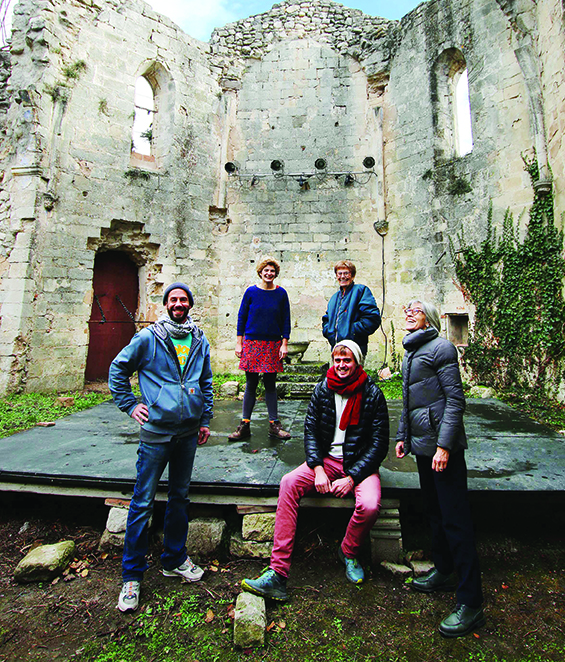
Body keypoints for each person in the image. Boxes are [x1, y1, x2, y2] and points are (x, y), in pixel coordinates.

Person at [241, 340, 389, 601]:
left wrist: (353, 477)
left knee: (369, 504)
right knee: (288, 483)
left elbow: (379, 444)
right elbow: (310, 431)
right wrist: (318, 468)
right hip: (327, 461)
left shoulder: (373, 394)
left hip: (358, 466)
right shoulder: (323, 389)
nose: (341, 366)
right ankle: (277, 572)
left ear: (357, 363)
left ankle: (349, 551)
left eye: (347, 361)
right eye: (338, 360)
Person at [109, 282, 213, 613]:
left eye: (183, 300)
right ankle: (132, 577)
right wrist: (129, 404)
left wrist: (205, 419)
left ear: (190, 304)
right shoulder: (149, 338)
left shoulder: (199, 339)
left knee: (180, 498)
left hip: (187, 431)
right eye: (173, 299)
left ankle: (174, 559)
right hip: (155, 431)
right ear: (165, 304)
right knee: (142, 501)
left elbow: (206, 381)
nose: (178, 304)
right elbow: (118, 369)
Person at [391, 299, 484, 638]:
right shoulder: (412, 350)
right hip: (423, 447)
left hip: (442, 449)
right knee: (435, 512)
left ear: (428, 318)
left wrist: (444, 446)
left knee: (455, 520)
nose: (407, 312)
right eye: (406, 309)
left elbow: (455, 400)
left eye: (414, 309)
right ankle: (443, 569)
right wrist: (403, 435)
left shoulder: (441, 348)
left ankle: (471, 603)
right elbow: (408, 399)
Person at [228, 257, 291, 441]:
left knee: (271, 385)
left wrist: (284, 344)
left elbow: (286, 320)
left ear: (276, 274)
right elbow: (241, 317)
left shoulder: (281, 294)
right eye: (266, 270)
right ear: (260, 272)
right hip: (252, 343)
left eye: (272, 271)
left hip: (273, 344)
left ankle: (274, 425)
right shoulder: (251, 292)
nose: (269, 273)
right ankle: (244, 425)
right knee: (251, 384)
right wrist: (239, 342)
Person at [322, 261, 381, 359]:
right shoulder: (334, 298)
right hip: (336, 350)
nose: (342, 276)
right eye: (339, 273)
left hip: (355, 349)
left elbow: (372, 318)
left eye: (346, 273)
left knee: (355, 374)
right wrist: (328, 332)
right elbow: (326, 320)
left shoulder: (361, 291)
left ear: (352, 276)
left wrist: (352, 331)